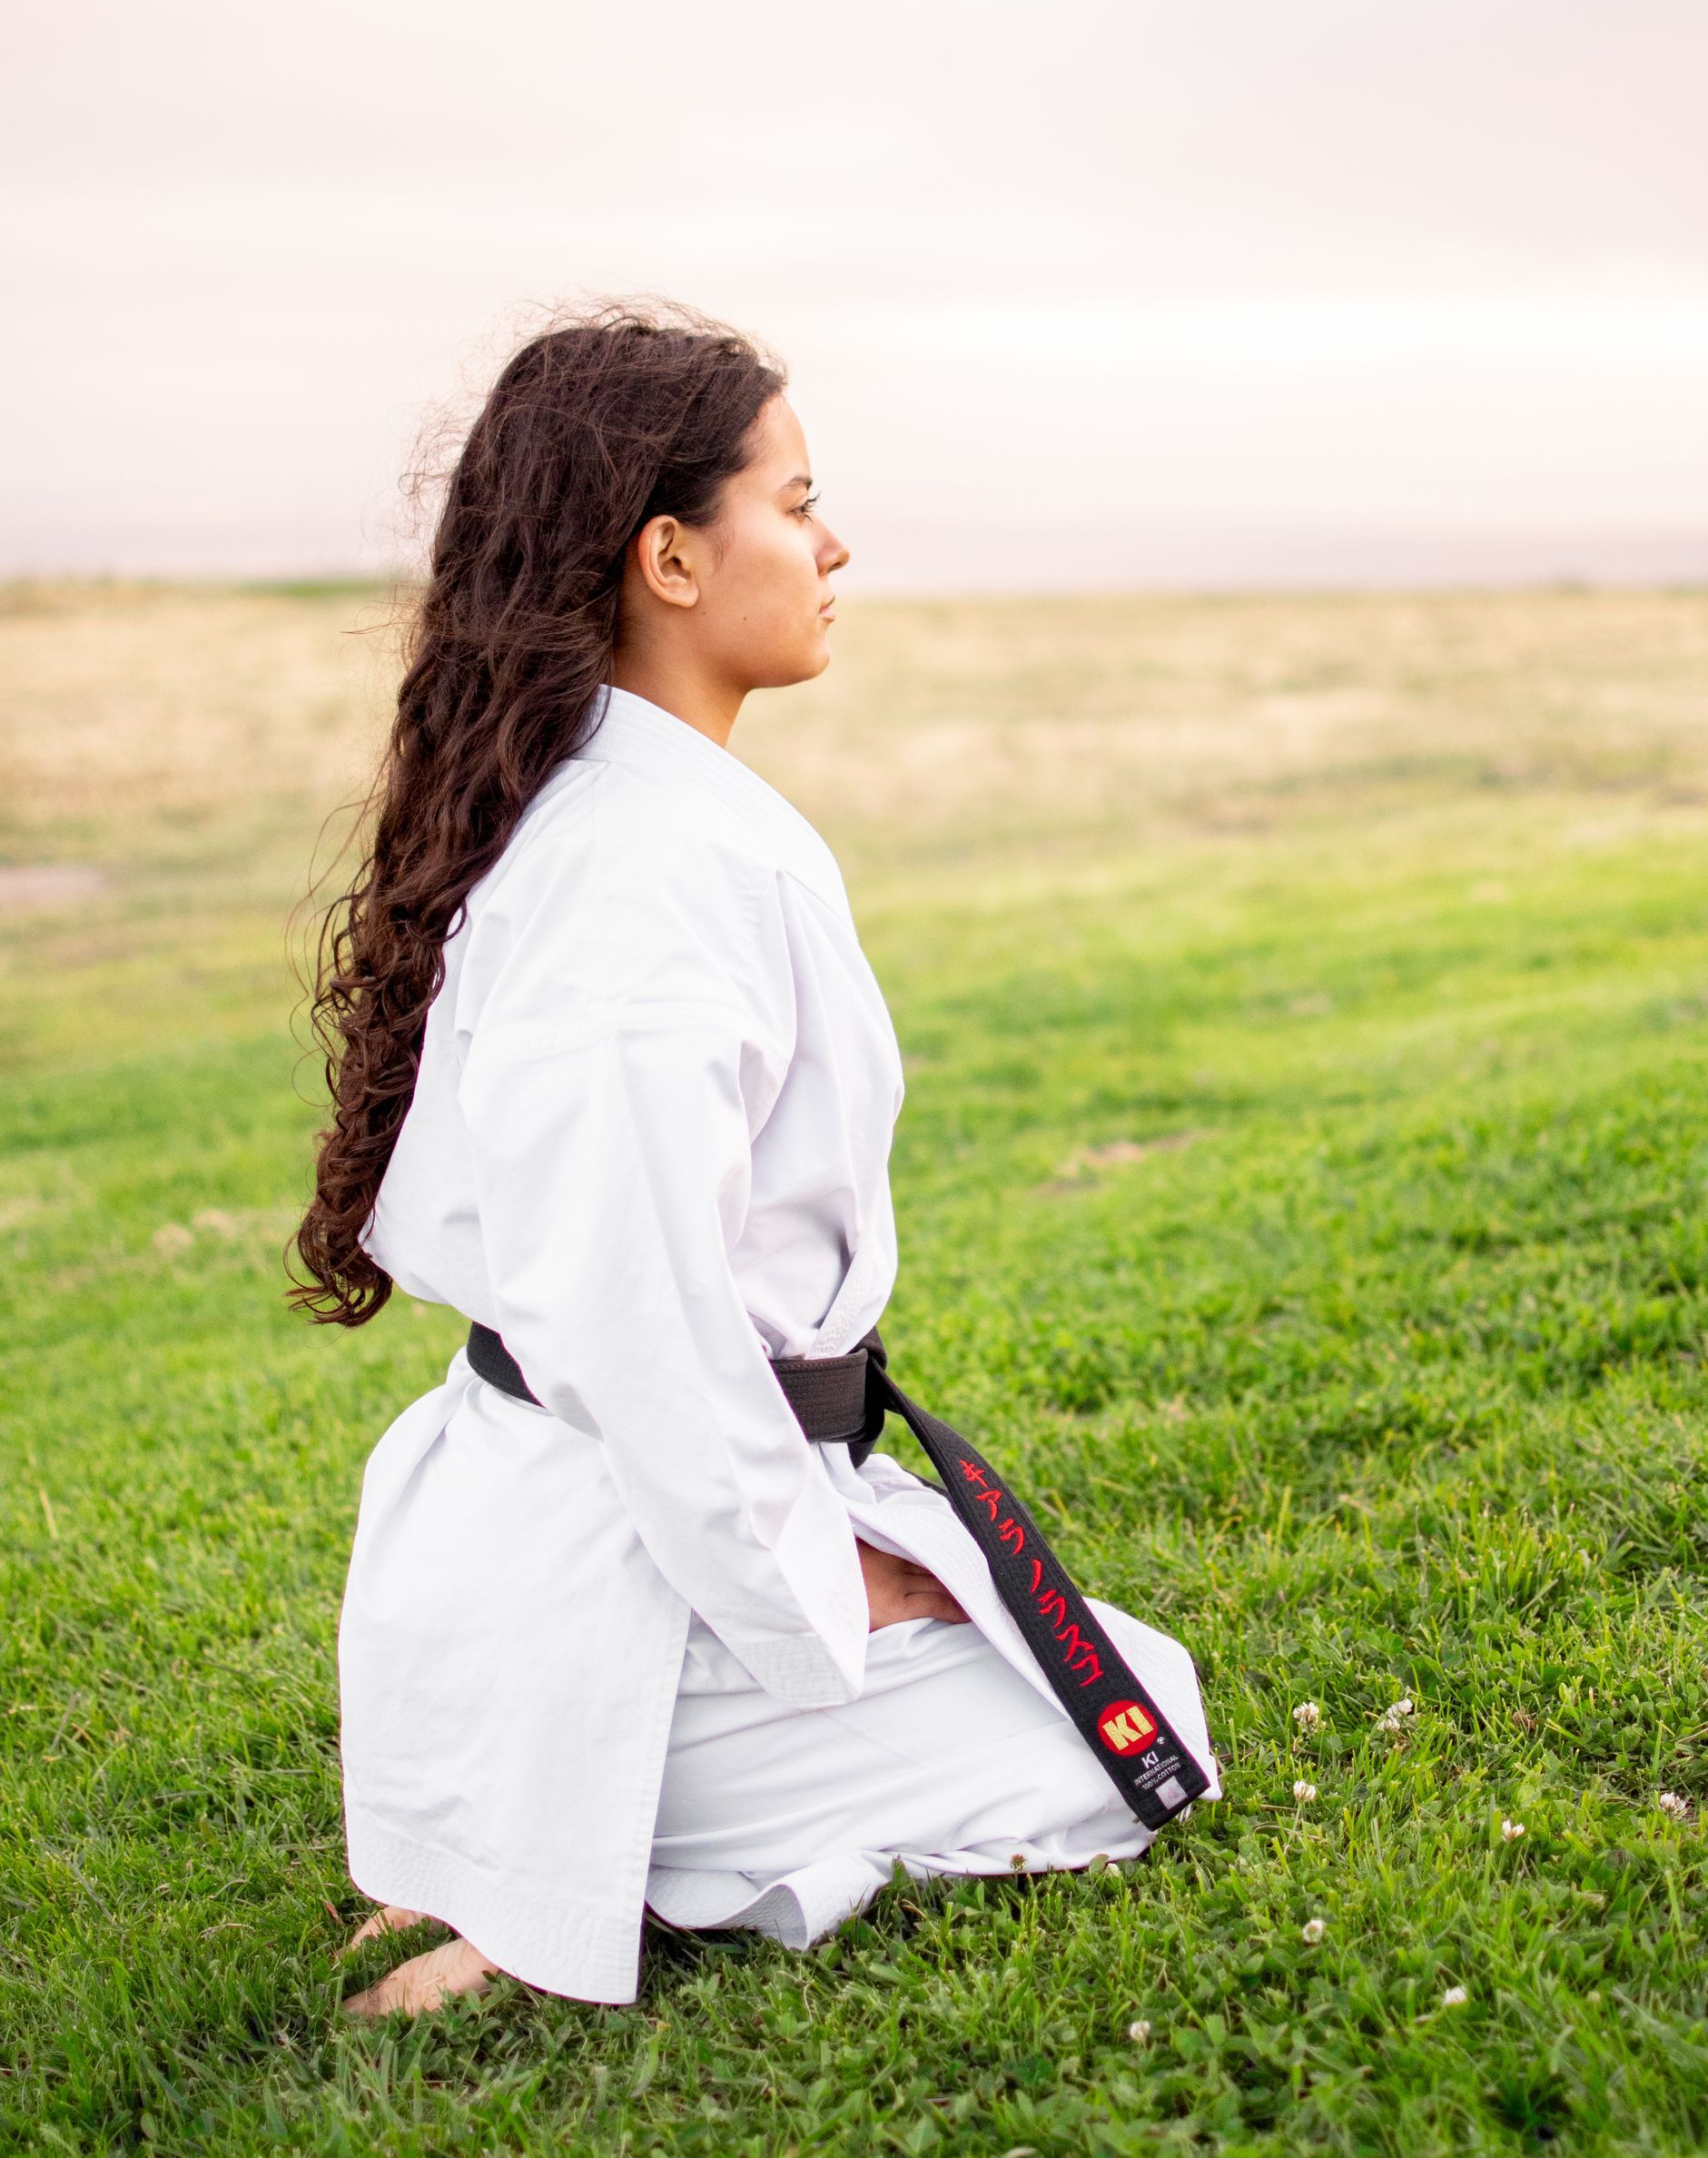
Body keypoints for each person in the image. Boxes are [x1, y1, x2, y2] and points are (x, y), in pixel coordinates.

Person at [294, 305, 1218, 2017]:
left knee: (1094, 1669)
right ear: (670, 557)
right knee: (1141, 1735)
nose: (835, 540)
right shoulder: (653, 873)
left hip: (564, 1520)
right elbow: (634, 1325)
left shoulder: (618, 813)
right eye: (797, 502)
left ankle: (539, 1836)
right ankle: (582, 1874)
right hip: (609, 1553)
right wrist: (818, 1580)